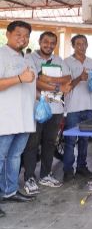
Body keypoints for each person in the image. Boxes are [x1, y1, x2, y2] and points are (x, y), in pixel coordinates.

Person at [24, 31, 71, 193]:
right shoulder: (30, 59)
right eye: (46, 42)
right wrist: (58, 86)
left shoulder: (58, 60)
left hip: (56, 108)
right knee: (32, 143)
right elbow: (35, 81)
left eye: (52, 43)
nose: (49, 45)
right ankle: (29, 177)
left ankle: (45, 175)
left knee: (50, 143)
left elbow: (68, 78)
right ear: (39, 41)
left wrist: (49, 79)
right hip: (37, 107)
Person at [0, 21, 36, 218]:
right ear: (8, 34)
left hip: (24, 118)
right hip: (5, 118)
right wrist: (20, 79)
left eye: (26, 36)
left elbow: (30, 85)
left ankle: (10, 191)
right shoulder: (1, 54)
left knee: (14, 158)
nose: (23, 39)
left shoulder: (25, 58)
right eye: (19, 34)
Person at [63, 35, 92, 182]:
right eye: (78, 44)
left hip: (89, 106)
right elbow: (66, 86)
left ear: (87, 45)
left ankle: (82, 167)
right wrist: (79, 78)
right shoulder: (66, 62)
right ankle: (68, 170)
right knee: (70, 140)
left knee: (84, 140)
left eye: (84, 43)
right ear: (73, 45)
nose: (81, 46)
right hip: (73, 108)